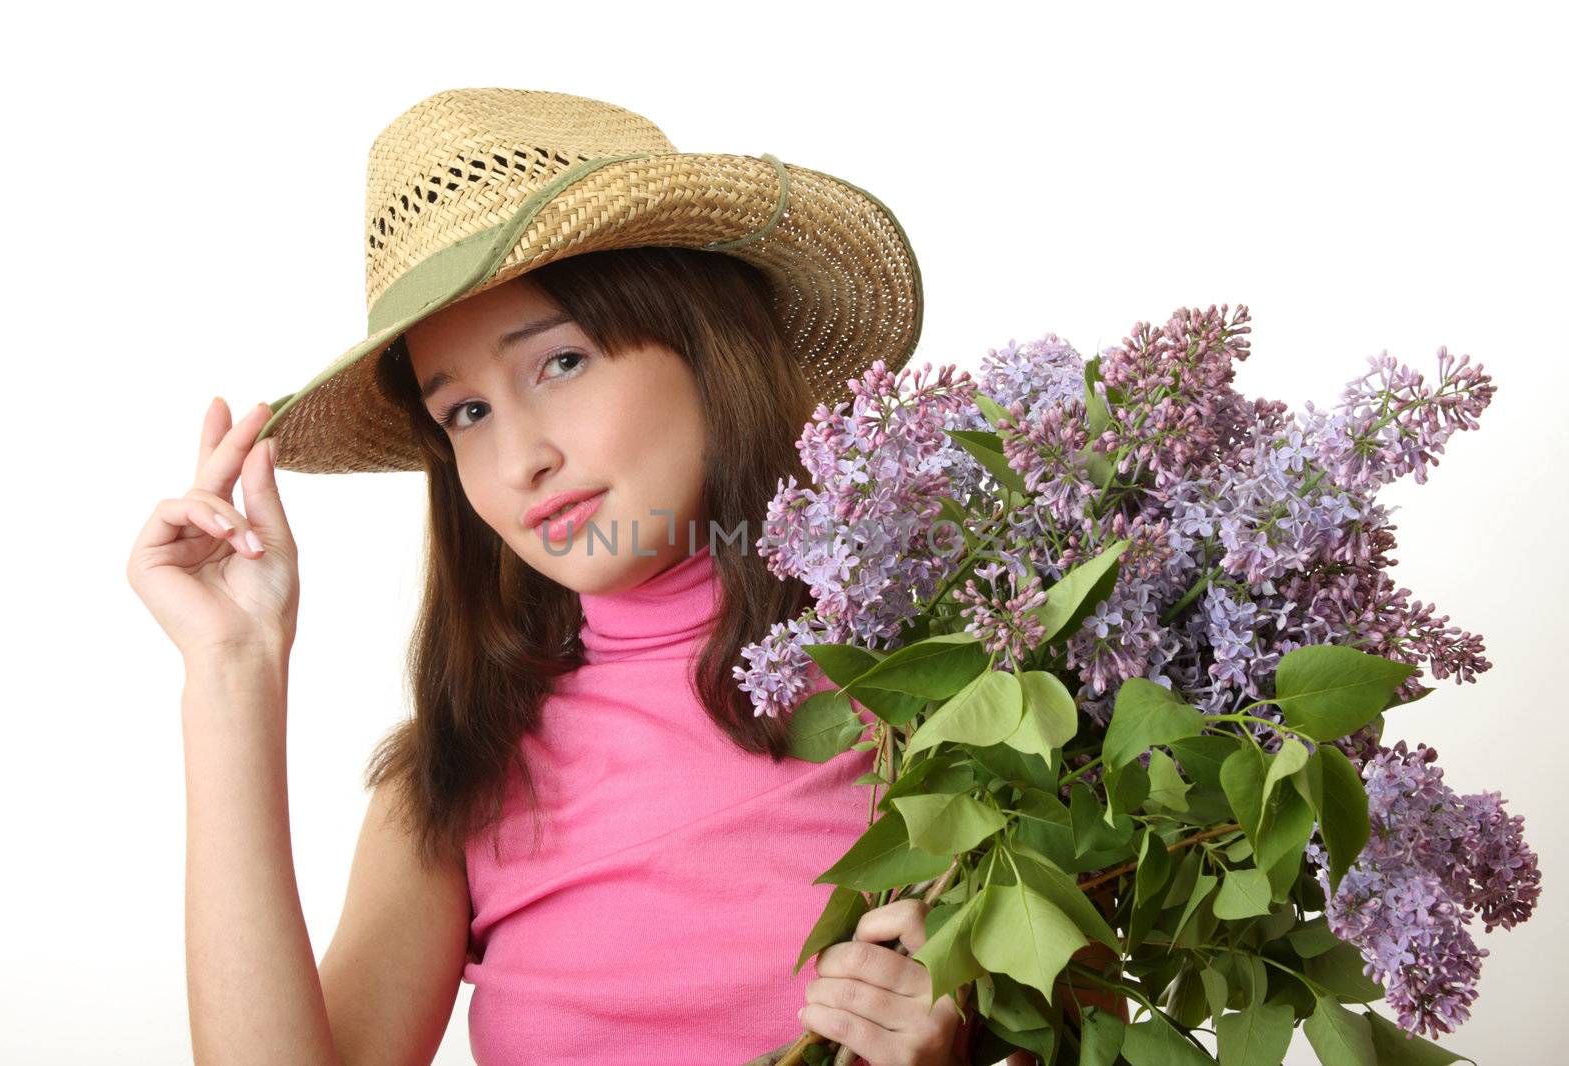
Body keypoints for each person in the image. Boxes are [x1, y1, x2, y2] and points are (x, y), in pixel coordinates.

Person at [125, 88, 986, 1065]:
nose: (520, 458)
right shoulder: (458, 777)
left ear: (711, 345)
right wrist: (232, 670)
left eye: (561, 360)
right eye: (465, 414)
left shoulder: (964, 693)